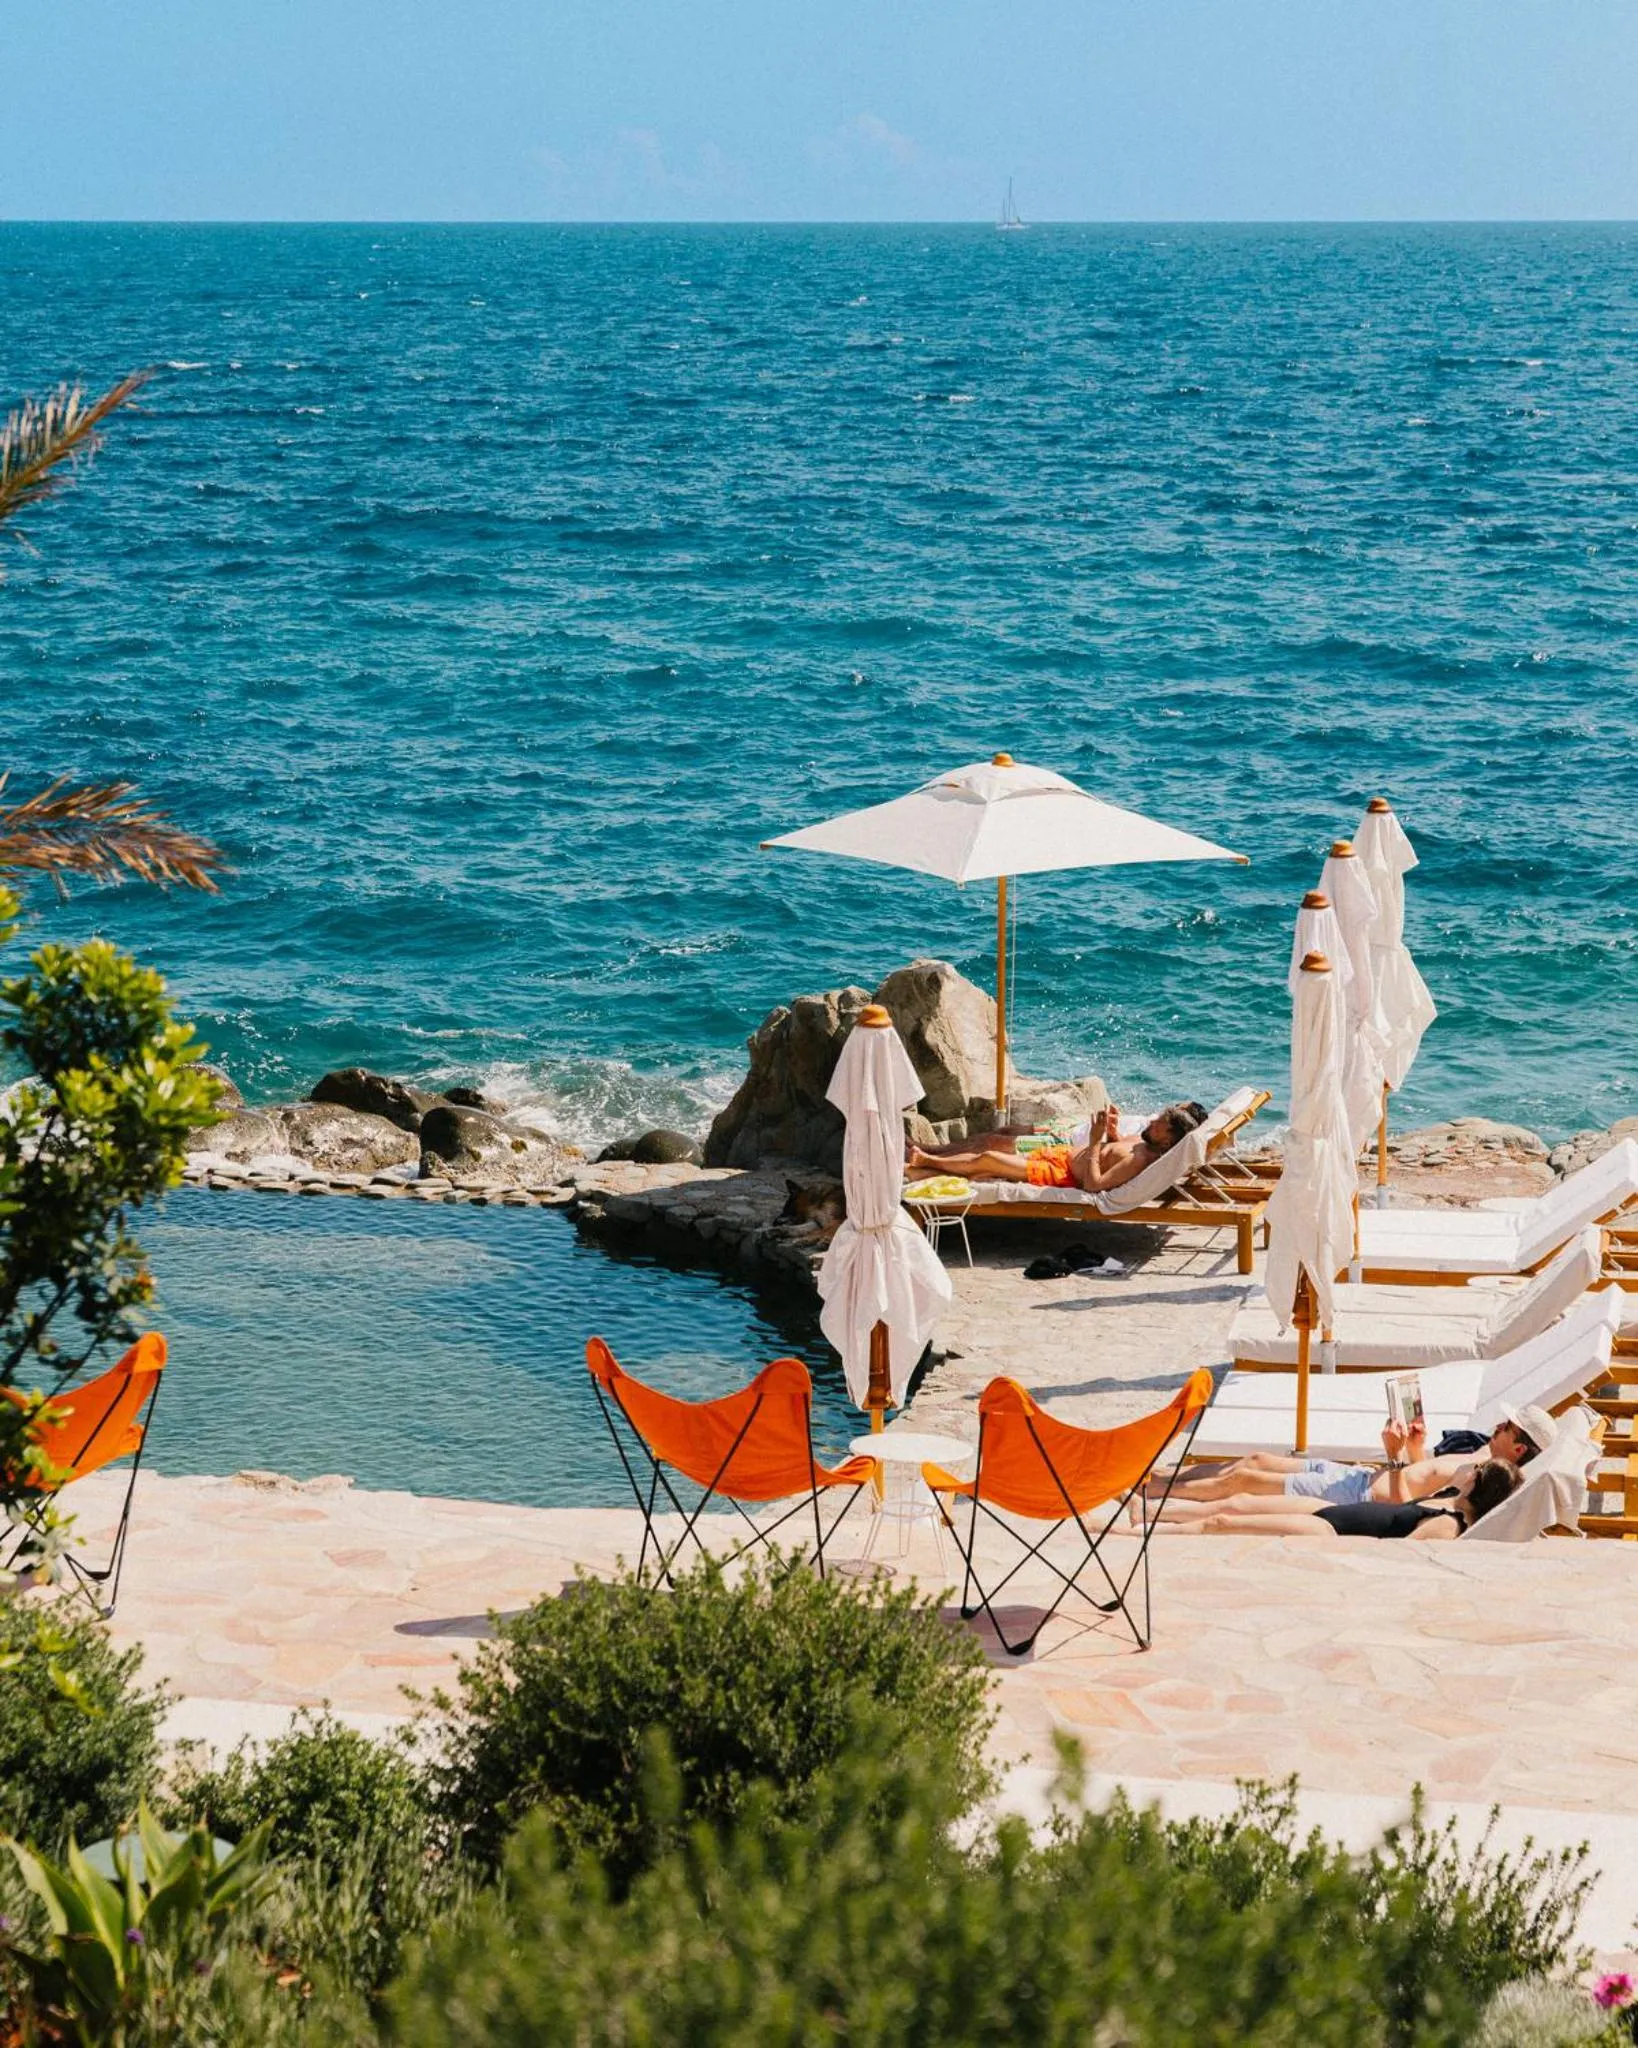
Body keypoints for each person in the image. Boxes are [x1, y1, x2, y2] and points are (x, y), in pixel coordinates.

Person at [1148, 1403, 1556, 1511]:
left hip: (1357, 1495)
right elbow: (1423, 1474)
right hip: (1359, 1476)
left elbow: (1405, 1505)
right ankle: (1161, 1473)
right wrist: (1415, 1445)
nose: (1498, 1424)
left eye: (1507, 1426)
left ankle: (1151, 1489)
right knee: (1254, 1461)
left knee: (1243, 1482)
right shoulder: (1480, 1452)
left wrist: (1393, 1456)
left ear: (1519, 1449)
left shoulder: (1482, 1481)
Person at [1151, 1454, 1522, 1542]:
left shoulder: (1448, 1524)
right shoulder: (1451, 1498)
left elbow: (1401, 1553)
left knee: (1223, 1519)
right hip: (1340, 1504)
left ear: (1478, 1485)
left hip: (1336, 1525)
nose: (1470, 1469)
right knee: (1240, 1497)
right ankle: (1146, 1503)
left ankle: (1135, 1529)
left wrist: (1394, 1458)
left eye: (1477, 1470)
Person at [906, 1100, 1207, 1195]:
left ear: (1168, 1140)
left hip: (1060, 1174)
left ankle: (926, 1159)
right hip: (1061, 1156)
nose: (1153, 1121)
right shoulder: (1144, 1142)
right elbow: (1114, 1153)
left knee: (988, 1157)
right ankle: (920, 1171)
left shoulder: (1141, 1159)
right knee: (985, 1167)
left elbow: (1094, 1185)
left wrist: (1095, 1141)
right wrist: (1112, 1134)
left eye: (1159, 1124)